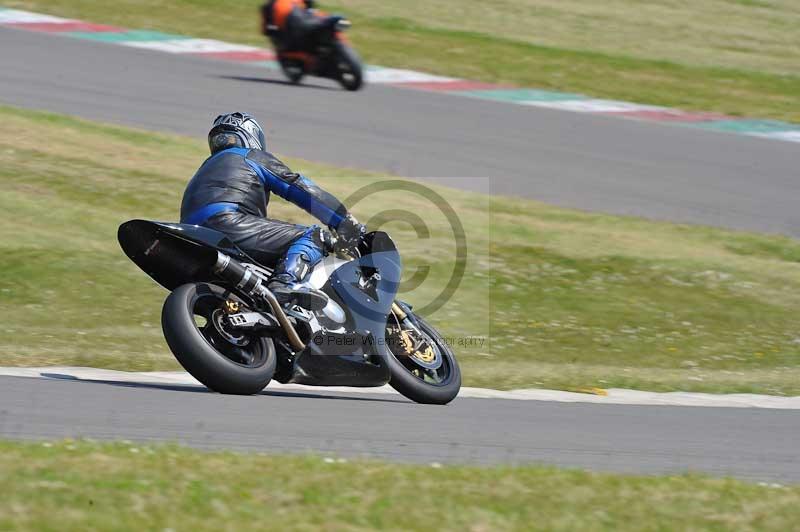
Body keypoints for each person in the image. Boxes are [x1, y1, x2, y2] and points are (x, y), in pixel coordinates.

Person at [180, 112, 365, 309]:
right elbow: (299, 188)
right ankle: (286, 282)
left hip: (193, 236)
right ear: (252, 136)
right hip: (228, 225)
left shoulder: (203, 169)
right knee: (314, 236)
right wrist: (343, 221)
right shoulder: (250, 156)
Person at [260, 0, 339, 51]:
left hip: (306, 21)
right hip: (290, 34)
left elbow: (312, 10)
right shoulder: (270, 6)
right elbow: (267, 30)